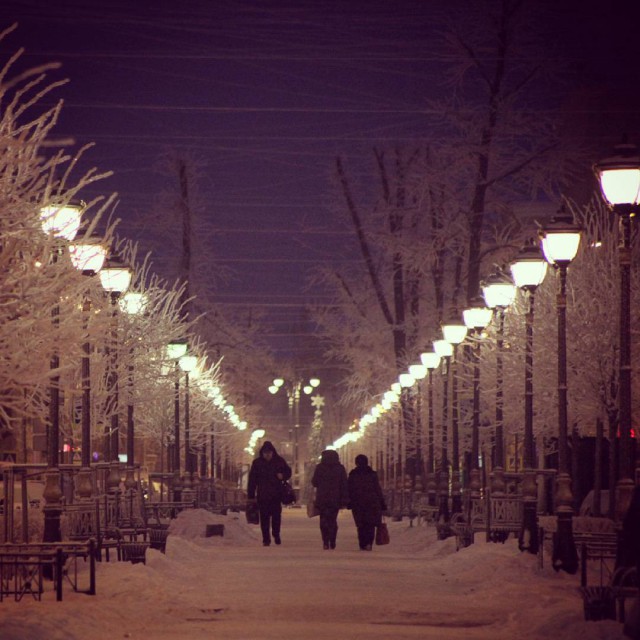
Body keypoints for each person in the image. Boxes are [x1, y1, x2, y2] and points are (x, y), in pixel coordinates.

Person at [247, 441, 292, 546]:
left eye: (269, 453)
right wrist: (251, 495)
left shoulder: (279, 461)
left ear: (272, 452)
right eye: (265, 453)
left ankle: (276, 534)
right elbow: (252, 480)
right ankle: (266, 538)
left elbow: (288, 472)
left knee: (276, 517)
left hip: (276, 495)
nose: (267, 455)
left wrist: (283, 476)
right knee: (264, 518)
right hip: (263, 495)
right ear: (262, 453)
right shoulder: (257, 463)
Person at [311, 449, 349, 549]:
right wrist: (344, 498)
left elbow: (314, 482)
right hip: (335, 498)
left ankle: (325, 541)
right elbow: (344, 484)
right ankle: (332, 540)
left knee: (323, 520)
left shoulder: (320, 468)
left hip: (322, 498)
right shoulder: (340, 468)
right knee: (332, 520)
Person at [348, 454, 387, 551]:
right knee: (371, 524)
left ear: (356, 463)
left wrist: (349, 501)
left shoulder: (353, 474)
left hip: (358, 502)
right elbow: (377, 489)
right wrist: (382, 502)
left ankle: (362, 543)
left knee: (361, 524)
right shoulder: (372, 474)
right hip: (372, 502)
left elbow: (349, 489)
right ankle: (369, 543)